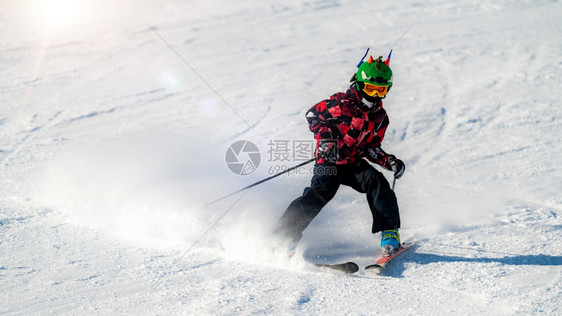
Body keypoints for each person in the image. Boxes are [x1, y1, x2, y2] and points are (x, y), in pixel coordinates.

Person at [275, 50, 406, 257]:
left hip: (352, 163)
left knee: (377, 182)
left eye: (381, 91)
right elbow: (313, 115)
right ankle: (282, 236)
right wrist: (327, 139)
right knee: (320, 192)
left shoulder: (380, 117)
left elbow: (371, 147)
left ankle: (390, 233)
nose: (375, 96)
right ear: (360, 84)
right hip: (330, 159)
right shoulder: (341, 104)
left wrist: (388, 161)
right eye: (371, 89)